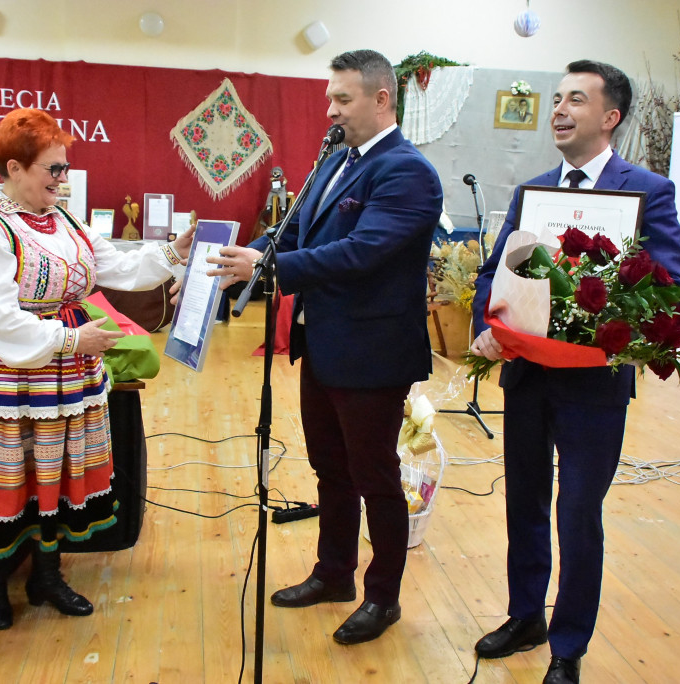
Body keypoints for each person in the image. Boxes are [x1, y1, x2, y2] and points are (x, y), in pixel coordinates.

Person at [0, 108, 193, 630]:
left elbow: (113, 266)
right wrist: (73, 339)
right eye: (53, 169)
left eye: (64, 168)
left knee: (53, 468)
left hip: (62, 368)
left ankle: (48, 575)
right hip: (3, 369)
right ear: (15, 169)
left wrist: (169, 253)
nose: (62, 179)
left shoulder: (63, 220)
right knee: (2, 476)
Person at [204, 49, 443, 645]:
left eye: (343, 98)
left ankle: (382, 597)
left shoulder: (407, 171)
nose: (329, 109)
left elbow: (363, 251)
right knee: (330, 469)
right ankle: (334, 573)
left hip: (373, 353)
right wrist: (245, 255)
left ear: (381, 98)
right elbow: (294, 231)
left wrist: (273, 264)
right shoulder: (338, 160)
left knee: (375, 477)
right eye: (329, 97)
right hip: (328, 344)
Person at [469, 60, 680, 683]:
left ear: (610, 116)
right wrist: (490, 322)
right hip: (529, 376)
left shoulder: (647, 190)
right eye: (557, 99)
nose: (559, 110)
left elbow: (674, 284)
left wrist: (619, 313)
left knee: (578, 514)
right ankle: (524, 616)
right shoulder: (532, 189)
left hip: (595, 384)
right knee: (525, 502)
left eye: (575, 99)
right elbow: (497, 269)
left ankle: (568, 647)